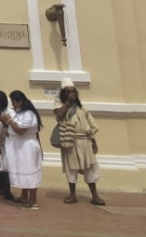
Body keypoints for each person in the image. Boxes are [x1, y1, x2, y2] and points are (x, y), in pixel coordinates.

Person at [54, 78, 105, 206]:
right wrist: (67, 103)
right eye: (68, 92)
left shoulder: (82, 108)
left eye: (73, 92)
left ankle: (95, 196)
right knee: (71, 169)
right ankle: (72, 195)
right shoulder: (59, 105)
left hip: (85, 141)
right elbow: (59, 115)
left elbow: (90, 125)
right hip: (70, 140)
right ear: (63, 94)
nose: (72, 94)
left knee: (90, 168)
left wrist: (94, 142)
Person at [2, 90, 43, 209]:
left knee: (30, 171)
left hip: (27, 146)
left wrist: (9, 121)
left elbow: (21, 131)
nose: (12, 105)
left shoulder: (29, 114)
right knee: (23, 170)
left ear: (20, 101)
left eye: (14, 102)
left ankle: (33, 200)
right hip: (20, 146)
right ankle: (24, 196)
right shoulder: (20, 113)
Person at [0, 91, 16, 201]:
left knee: (6, 167)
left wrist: (6, 123)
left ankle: (7, 190)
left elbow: (15, 125)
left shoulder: (10, 112)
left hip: (7, 142)